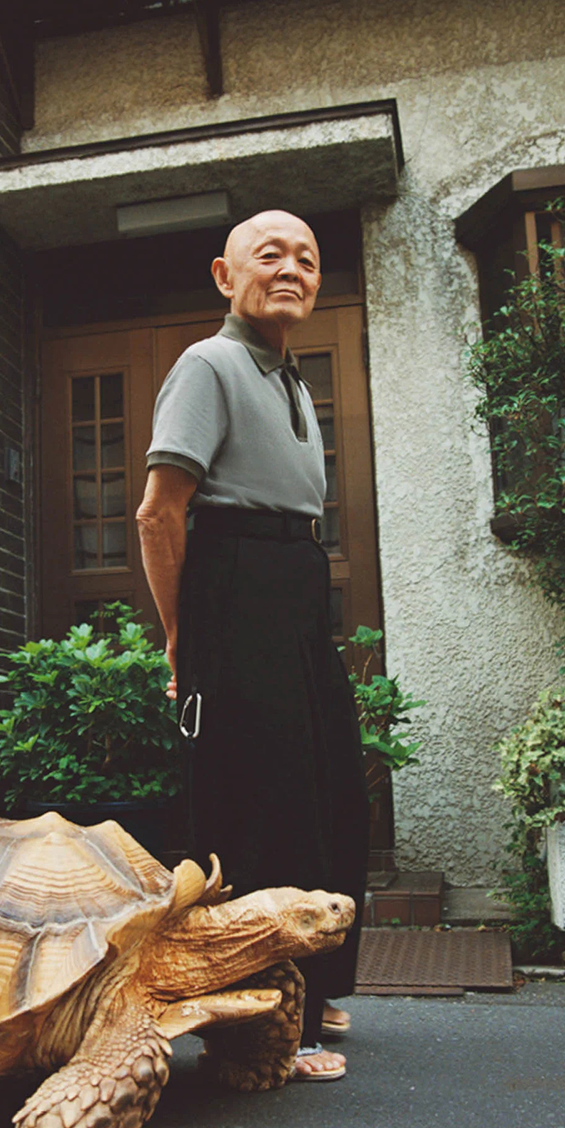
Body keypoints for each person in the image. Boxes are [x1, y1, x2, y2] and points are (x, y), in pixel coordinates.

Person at [135, 209, 369, 1081]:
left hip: (296, 585)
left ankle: (322, 983)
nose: (293, 269)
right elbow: (160, 512)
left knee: (333, 785)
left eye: (308, 258)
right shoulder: (211, 363)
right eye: (269, 255)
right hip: (233, 584)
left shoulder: (292, 379)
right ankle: (276, 1018)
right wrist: (180, 640)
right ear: (223, 276)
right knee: (265, 799)